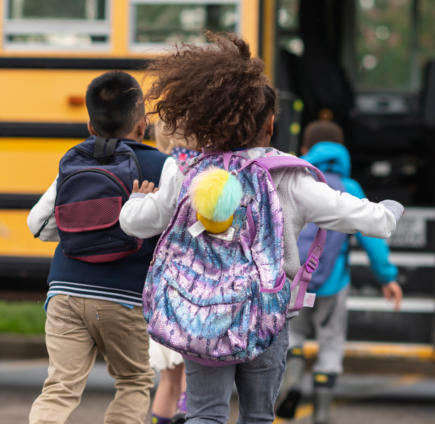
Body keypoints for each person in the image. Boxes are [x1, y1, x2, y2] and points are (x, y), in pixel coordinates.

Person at [119, 32, 404, 424]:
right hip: (266, 316)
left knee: (205, 412)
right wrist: (388, 214)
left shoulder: (184, 170)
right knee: (257, 415)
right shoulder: (288, 176)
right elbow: (349, 212)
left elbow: (139, 222)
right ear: (270, 125)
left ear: (206, 121)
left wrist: (134, 203)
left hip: (200, 316)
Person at [27, 71, 170, 424]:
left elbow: (38, 225)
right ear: (142, 125)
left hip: (64, 290)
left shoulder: (73, 160)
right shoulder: (161, 166)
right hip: (125, 295)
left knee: (60, 386)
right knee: (134, 380)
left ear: (90, 126)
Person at [275, 121, 403, 424]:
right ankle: (321, 415)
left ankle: (292, 385)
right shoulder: (351, 187)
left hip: (294, 281)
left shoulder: (297, 182)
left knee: (294, 335)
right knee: (331, 343)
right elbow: (373, 240)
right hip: (333, 282)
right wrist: (387, 277)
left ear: (306, 151)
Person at [148, 119, 192, 424]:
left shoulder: (160, 168)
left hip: (163, 284)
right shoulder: (205, 168)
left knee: (168, 379)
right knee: (195, 380)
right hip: (196, 285)